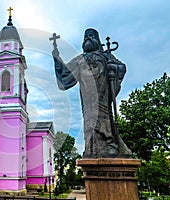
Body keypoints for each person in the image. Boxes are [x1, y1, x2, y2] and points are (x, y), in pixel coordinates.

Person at [52, 28, 131, 158]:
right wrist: (57, 58)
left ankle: (110, 145)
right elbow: (65, 75)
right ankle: (91, 147)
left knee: (105, 118)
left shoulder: (106, 56)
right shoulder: (79, 59)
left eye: (91, 36)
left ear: (98, 41)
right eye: (85, 37)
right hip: (87, 98)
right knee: (90, 121)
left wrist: (114, 68)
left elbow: (121, 67)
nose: (88, 38)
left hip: (103, 95)